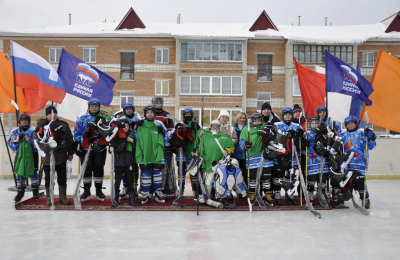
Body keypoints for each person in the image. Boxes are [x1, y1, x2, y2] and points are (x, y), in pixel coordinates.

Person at [330, 115, 376, 209]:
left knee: (359, 182)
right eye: (348, 124)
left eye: (352, 123)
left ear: (356, 124)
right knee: (344, 181)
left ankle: (365, 199)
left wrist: (372, 137)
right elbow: (338, 146)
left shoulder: (362, 133)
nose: (350, 125)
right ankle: (342, 198)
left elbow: (371, 146)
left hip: (360, 163)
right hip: (346, 164)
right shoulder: (343, 134)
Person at [34, 106, 74, 206]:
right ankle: (49, 197)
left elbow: (69, 139)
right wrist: (47, 148)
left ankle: (62, 197)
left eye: (55, 113)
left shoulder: (63, 125)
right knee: (48, 178)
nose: (53, 115)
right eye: (51, 114)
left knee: (62, 177)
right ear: (46, 115)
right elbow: (36, 139)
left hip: (61, 156)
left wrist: (70, 153)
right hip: (48, 158)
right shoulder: (41, 125)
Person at [74, 98, 111, 202]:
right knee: (87, 169)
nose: (94, 108)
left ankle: (99, 191)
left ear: (99, 107)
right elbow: (77, 133)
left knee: (99, 168)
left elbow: (108, 131)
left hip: (100, 148)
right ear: (89, 107)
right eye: (92, 106)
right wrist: (78, 145)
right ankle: (86, 191)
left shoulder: (103, 118)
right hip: (86, 148)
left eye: (96, 106)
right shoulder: (83, 118)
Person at [135, 105, 169, 204]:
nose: (149, 114)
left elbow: (166, 139)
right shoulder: (140, 124)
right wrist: (136, 126)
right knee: (146, 173)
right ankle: (145, 192)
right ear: (145, 114)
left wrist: (163, 133)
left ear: (154, 113)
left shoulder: (159, 124)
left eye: (151, 112)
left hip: (157, 153)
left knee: (158, 173)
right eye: (147, 112)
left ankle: (158, 192)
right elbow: (136, 138)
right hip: (145, 153)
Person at [239, 113, 275, 206]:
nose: (257, 122)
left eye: (259, 120)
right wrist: (244, 145)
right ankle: (252, 194)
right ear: (252, 121)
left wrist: (271, 128)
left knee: (266, 178)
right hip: (252, 157)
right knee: (252, 178)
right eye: (255, 120)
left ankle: (268, 195)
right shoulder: (246, 129)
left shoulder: (265, 127)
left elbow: (273, 136)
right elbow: (241, 141)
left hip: (264, 156)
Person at [273, 107, 304, 205]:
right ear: (283, 115)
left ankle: (289, 193)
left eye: (289, 114)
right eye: (286, 114)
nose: (288, 115)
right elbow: (272, 139)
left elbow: (302, 142)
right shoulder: (276, 125)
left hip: (293, 156)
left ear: (292, 115)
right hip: (279, 156)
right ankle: (277, 193)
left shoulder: (297, 126)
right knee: (278, 176)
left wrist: (300, 136)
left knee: (290, 176)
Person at [198, 120, 235, 199]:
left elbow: (232, 147)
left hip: (220, 164)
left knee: (220, 182)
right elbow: (199, 148)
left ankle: (219, 196)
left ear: (219, 127)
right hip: (208, 163)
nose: (215, 128)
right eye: (213, 126)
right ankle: (207, 198)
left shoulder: (224, 136)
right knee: (208, 183)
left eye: (217, 126)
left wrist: (227, 151)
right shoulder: (205, 136)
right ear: (210, 127)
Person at [8, 114, 39, 203]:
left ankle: (35, 191)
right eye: (22, 120)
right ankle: (20, 192)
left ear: (28, 121)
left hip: (32, 154)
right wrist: (17, 141)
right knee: (20, 172)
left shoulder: (34, 130)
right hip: (20, 154)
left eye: (25, 120)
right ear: (19, 122)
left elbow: (38, 142)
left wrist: (29, 140)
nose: (23, 122)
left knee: (33, 172)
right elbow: (10, 142)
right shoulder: (15, 131)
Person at [171, 108, 201, 198]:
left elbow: (201, 135)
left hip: (193, 152)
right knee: (181, 173)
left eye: (189, 114)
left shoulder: (197, 125)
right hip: (182, 152)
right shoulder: (179, 125)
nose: (188, 116)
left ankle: (196, 189)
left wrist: (197, 129)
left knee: (194, 172)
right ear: (183, 115)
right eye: (186, 114)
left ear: (192, 115)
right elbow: (172, 135)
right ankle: (181, 189)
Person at [301, 116, 331, 204]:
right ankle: (310, 194)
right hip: (311, 160)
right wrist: (303, 146)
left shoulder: (323, 133)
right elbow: (302, 152)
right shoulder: (306, 134)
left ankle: (321, 193)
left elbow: (329, 144)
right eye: (312, 123)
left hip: (322, 160)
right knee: (311, 179)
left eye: (316, 123)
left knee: (323, 179)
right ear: (309, 124)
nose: (314, 125)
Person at [109, 119, 137, 207]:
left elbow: (135, 148)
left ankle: (132, 197)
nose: (126, 127)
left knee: (130, 180)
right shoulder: (116, 136)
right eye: (124, 126)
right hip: (118, 161)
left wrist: (132, 142)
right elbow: (111, 147)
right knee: (117, 180)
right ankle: (115, 197)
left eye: (127, 126)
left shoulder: (131, 136)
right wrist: (111, 148)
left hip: (128, 161)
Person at [152, 96, 176, 198]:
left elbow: (171, 131)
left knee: (167, 170)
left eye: (159, 103)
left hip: (166, 148)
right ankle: (152, 189)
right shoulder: (149, 114)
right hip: (153, 148)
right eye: (156, 103)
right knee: (153, 169)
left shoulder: (167, 115)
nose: (158, 105)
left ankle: (167, 189)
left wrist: (166, 139)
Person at [118, 102, 141, 200]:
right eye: (127, 109)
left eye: (131, 109)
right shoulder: (121, 120)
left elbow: (140, 134)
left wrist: (134, 130)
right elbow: (117, 133)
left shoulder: (138, 119)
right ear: (124, 111)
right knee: (124, 167)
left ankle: (134, 188)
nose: (129, 110)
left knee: (134, 167)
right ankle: (125, 187)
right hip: (124, 147)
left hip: (134, 146)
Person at [232, 112, 248, 188]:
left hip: (245, 155)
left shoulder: (248, 128)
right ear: (237, 119)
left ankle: (245, 191)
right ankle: (238, 191)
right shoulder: (233, 129)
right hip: (236, 155)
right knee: (236, 175)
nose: (242, 119)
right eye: (240, 118)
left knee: (245, 174)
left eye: (244, 118)